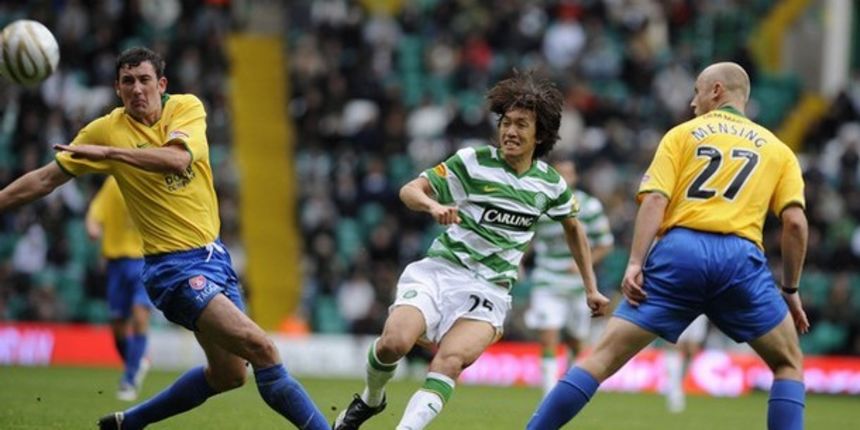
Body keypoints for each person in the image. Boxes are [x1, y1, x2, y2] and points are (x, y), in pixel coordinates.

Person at [0, 47, 328, 430]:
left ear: (162, 84)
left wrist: (110, 153)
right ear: (117, 89)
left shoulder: (186, 109)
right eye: (127, 82)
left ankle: (129, 423)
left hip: (214, 258)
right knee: (264, 349)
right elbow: (44, 179)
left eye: (144, 80)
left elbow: (177, 159)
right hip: (172, 268)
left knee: (229, 375)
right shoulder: (106, 128)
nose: (137, 89)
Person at [527, 62, 810, 430]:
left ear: (717, 91)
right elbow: (795, 223)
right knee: (788, 363)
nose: (693, 102)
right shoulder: (779, 150)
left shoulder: (682, 135)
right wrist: (790, 288)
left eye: (697, 91)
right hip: (740, 259)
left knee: (601, 357)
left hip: (680, 253)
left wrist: (634, 263)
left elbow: (655, 201)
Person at [332, 71, 610, 430]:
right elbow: (410, 190)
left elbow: (574, 229)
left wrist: (591, 287)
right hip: (441, 271)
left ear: (539, 135)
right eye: (506, 123)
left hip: (490, 290)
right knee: (393, 343)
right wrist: (432, 207)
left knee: (449, 361)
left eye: (521, 125)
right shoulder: (473, 162)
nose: (510, 131)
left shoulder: (550, 185)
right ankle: (371, 399)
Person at [523, 159, 613, 398]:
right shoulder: (539, 203)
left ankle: (568, 389)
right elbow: (527, 237)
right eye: (559, 173)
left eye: (568, 174)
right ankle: (548, 396)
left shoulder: (589, 206)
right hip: (547, 279)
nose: (564, 178)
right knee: (548, 336)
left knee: (576, 341)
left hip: (579, 285)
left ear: (574, 177)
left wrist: (584, 262)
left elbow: (605, 244)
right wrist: (519, 261)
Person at [86, 176, 152, 401]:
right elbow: (95, 211)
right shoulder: (113, 183)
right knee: (117, 327)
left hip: (145, 260)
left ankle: (129, 380)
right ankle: (136, 362)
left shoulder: (151, 181)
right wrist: (93, 227)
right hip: (116, 264)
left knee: (140, 316)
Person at [663, 314, 707, 413]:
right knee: (674, 345)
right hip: (677, 305)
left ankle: (678, 386)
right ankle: (675, 392)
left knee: (692, 350)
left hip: (701, 309)